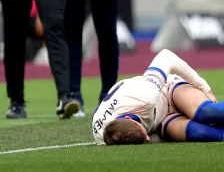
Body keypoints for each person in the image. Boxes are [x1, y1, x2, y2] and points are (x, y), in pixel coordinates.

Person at [93, 49, 224, 145]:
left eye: (145, 134)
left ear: (129, 118)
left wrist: (205, 88)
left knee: (207, 113)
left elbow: (166, 56)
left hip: (167, 91)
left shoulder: (144, 97)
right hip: (161, 123)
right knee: (201, 133)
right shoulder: (103, 137)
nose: (148, 139)